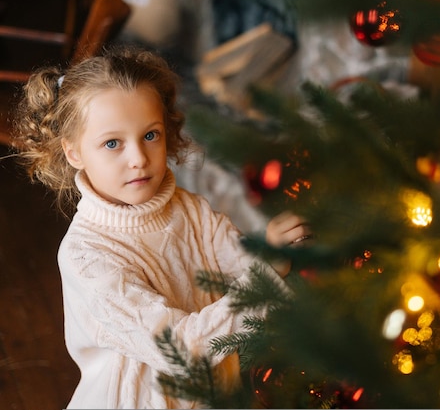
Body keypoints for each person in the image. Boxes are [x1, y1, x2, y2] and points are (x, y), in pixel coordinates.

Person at [10, 46, 309, 409]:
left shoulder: (190, 209)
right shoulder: (85, 256)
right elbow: (179, 348)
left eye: (150, 135)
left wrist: (274, 247)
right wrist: (266, 276)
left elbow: (242, 269)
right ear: (74, 153)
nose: (138, 159)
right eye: (112, 143)